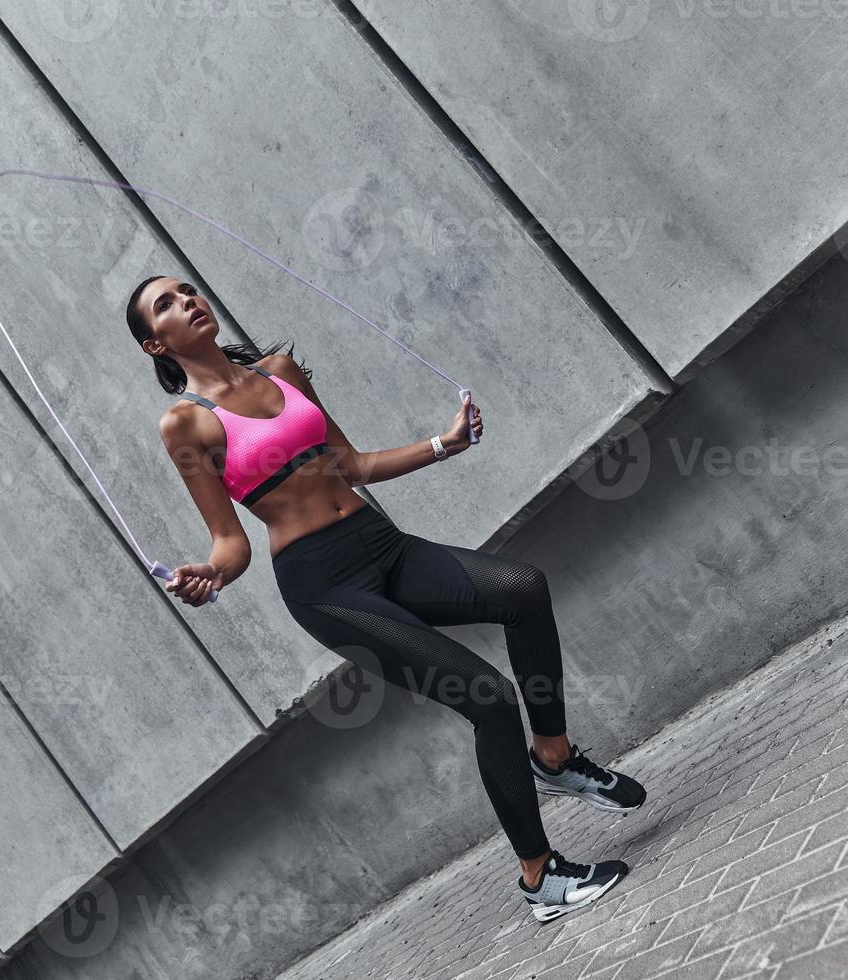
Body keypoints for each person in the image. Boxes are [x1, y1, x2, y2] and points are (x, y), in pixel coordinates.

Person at [126, 275, 647, 921]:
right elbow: (230, 541)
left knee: (523, 589)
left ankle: (554, 756)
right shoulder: (185, 423)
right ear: (156, 345)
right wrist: (209, 575)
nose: (187, 301)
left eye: (186, 290)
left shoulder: (280, 370)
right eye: (167, 305)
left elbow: (352, 464)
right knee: (486, 698)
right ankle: (539, 877)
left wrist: (442, 444)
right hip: (325, 585)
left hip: (383, 546)